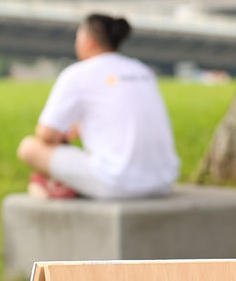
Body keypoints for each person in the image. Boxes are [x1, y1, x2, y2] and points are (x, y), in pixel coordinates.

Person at [16, 14, 180, 199]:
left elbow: (45, 134)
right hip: (163, 181)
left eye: (78, 38)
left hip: (117, 183)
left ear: (90, 42)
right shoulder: (142, 71)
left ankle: (61, 183)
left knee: (29, 147)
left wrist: (65, 134)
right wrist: (80, 127)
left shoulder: (77, 74)